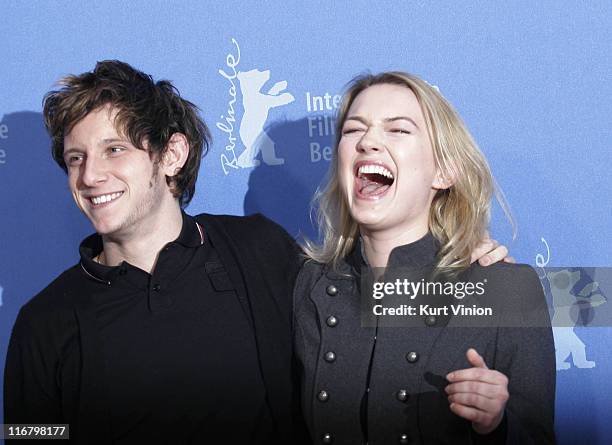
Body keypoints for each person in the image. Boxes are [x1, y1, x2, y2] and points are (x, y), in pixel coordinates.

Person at [3, 61, 510, 444]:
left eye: (115, 150)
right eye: (76, 158)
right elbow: (33, 435)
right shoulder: (43, 322)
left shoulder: (259, 250)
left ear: (172, 154)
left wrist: (470, 270)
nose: (90, 176)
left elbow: (366, 299)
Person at [294, 72, 555, 444]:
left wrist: (497, 425)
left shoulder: (507, 288)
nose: (368, 141)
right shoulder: (310, 283)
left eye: (397, 130)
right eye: (354, 130)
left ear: (445, 171)